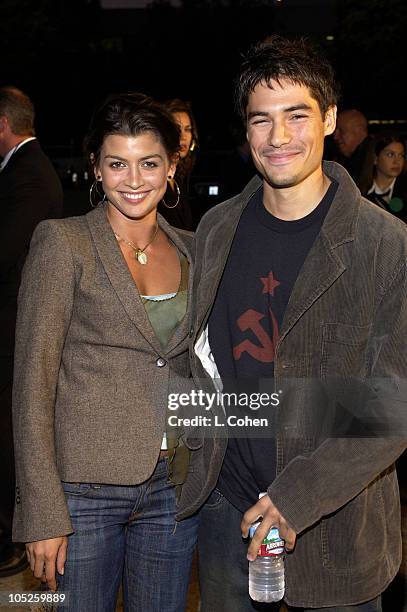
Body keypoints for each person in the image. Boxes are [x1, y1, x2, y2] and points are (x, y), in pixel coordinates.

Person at [176, 35, 407, 611]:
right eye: (261, 120)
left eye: (296, 115)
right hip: (227, 513)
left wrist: (296, 497)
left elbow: (393, 403)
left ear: (329, 118)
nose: (278, 138)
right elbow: (200, 363)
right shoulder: (217, 229)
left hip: (335, 528)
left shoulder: (387, 245)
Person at [12, 92, 198, 611]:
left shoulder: (192, 248)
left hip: (172, 490)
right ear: (95, 167)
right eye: (117, 163)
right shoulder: (63, 243)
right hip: (82, 495)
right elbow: (32, 384)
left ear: (172, 167)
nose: (134, 179)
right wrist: (43, 513)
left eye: (149, 163)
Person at [0, 86, 63, 577]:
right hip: (14, 323)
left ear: (3, 124)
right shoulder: (22, 171)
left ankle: (12, 533)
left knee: (15, 423)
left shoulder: (31, 175)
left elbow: (9, 254)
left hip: (20, 326)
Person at [158, 98, 198, 230]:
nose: (183, 136)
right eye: (177, 128)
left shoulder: (179, 177)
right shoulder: (154, 177)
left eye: (188, 129)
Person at [363, 132, 407, 221]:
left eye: (401, 155)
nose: (397, 161)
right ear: (375, 158)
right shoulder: (358, 190)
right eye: (390, 154)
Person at [333, 108, 373, 189]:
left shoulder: (376, 160)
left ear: (359, 131)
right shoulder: (340, 160)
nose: (335, 137)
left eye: (341, 130)